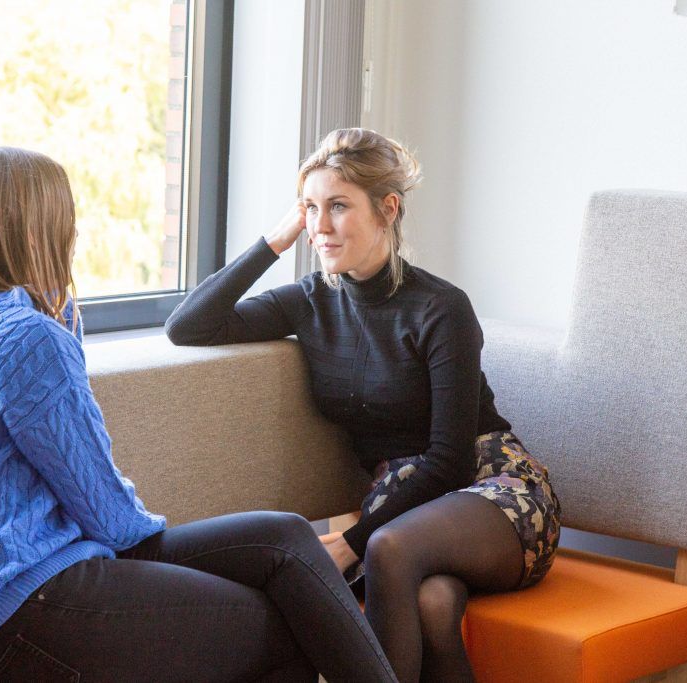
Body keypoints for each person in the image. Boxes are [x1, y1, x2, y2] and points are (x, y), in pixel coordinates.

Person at [0, 147, 398, 683]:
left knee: (283, 538)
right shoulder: (26, 338)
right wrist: (159, 556)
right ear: (38, 228)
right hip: (26, 610)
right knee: (295, 621)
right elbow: (107, 513)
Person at [165, 128, 561, 683]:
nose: (319, 227)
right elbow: (188, 326)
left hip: (494, 490)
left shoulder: (441, 308)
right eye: (310, 209)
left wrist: (349, 545)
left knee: (388, 549)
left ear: (388, 209)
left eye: (338, 207)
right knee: (434, 606)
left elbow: (448, 460)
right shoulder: (310, 301)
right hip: (404, 508)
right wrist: (276, 241)